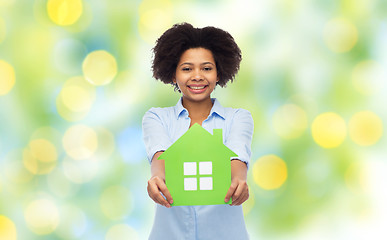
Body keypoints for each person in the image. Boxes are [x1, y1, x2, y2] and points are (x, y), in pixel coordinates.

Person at [142, 22, 254, 240]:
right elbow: (159, 155)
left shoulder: (238, 118)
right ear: (173, 75)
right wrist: (157, 178)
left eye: (206, 68)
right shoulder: (157, 117)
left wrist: (239, 181)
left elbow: (238, 156)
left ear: (219, 73)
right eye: (186, 68)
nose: (197, 76)